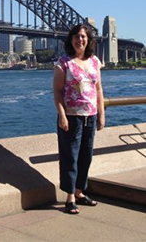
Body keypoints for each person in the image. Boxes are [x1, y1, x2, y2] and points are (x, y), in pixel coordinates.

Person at [53, 24, 105, 214]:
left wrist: (101, 114)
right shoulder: (63, 63)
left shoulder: (94, 62)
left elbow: (98, 89)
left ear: (88, 40)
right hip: (71, 118)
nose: (79, 39)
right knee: (70, 157)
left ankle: (80, 192)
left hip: (89, 116)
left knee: (86, 157)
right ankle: (69, 197)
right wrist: (62, 115)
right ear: (71, 40)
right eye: (76, 36)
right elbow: (57, 93)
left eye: (83, 36)